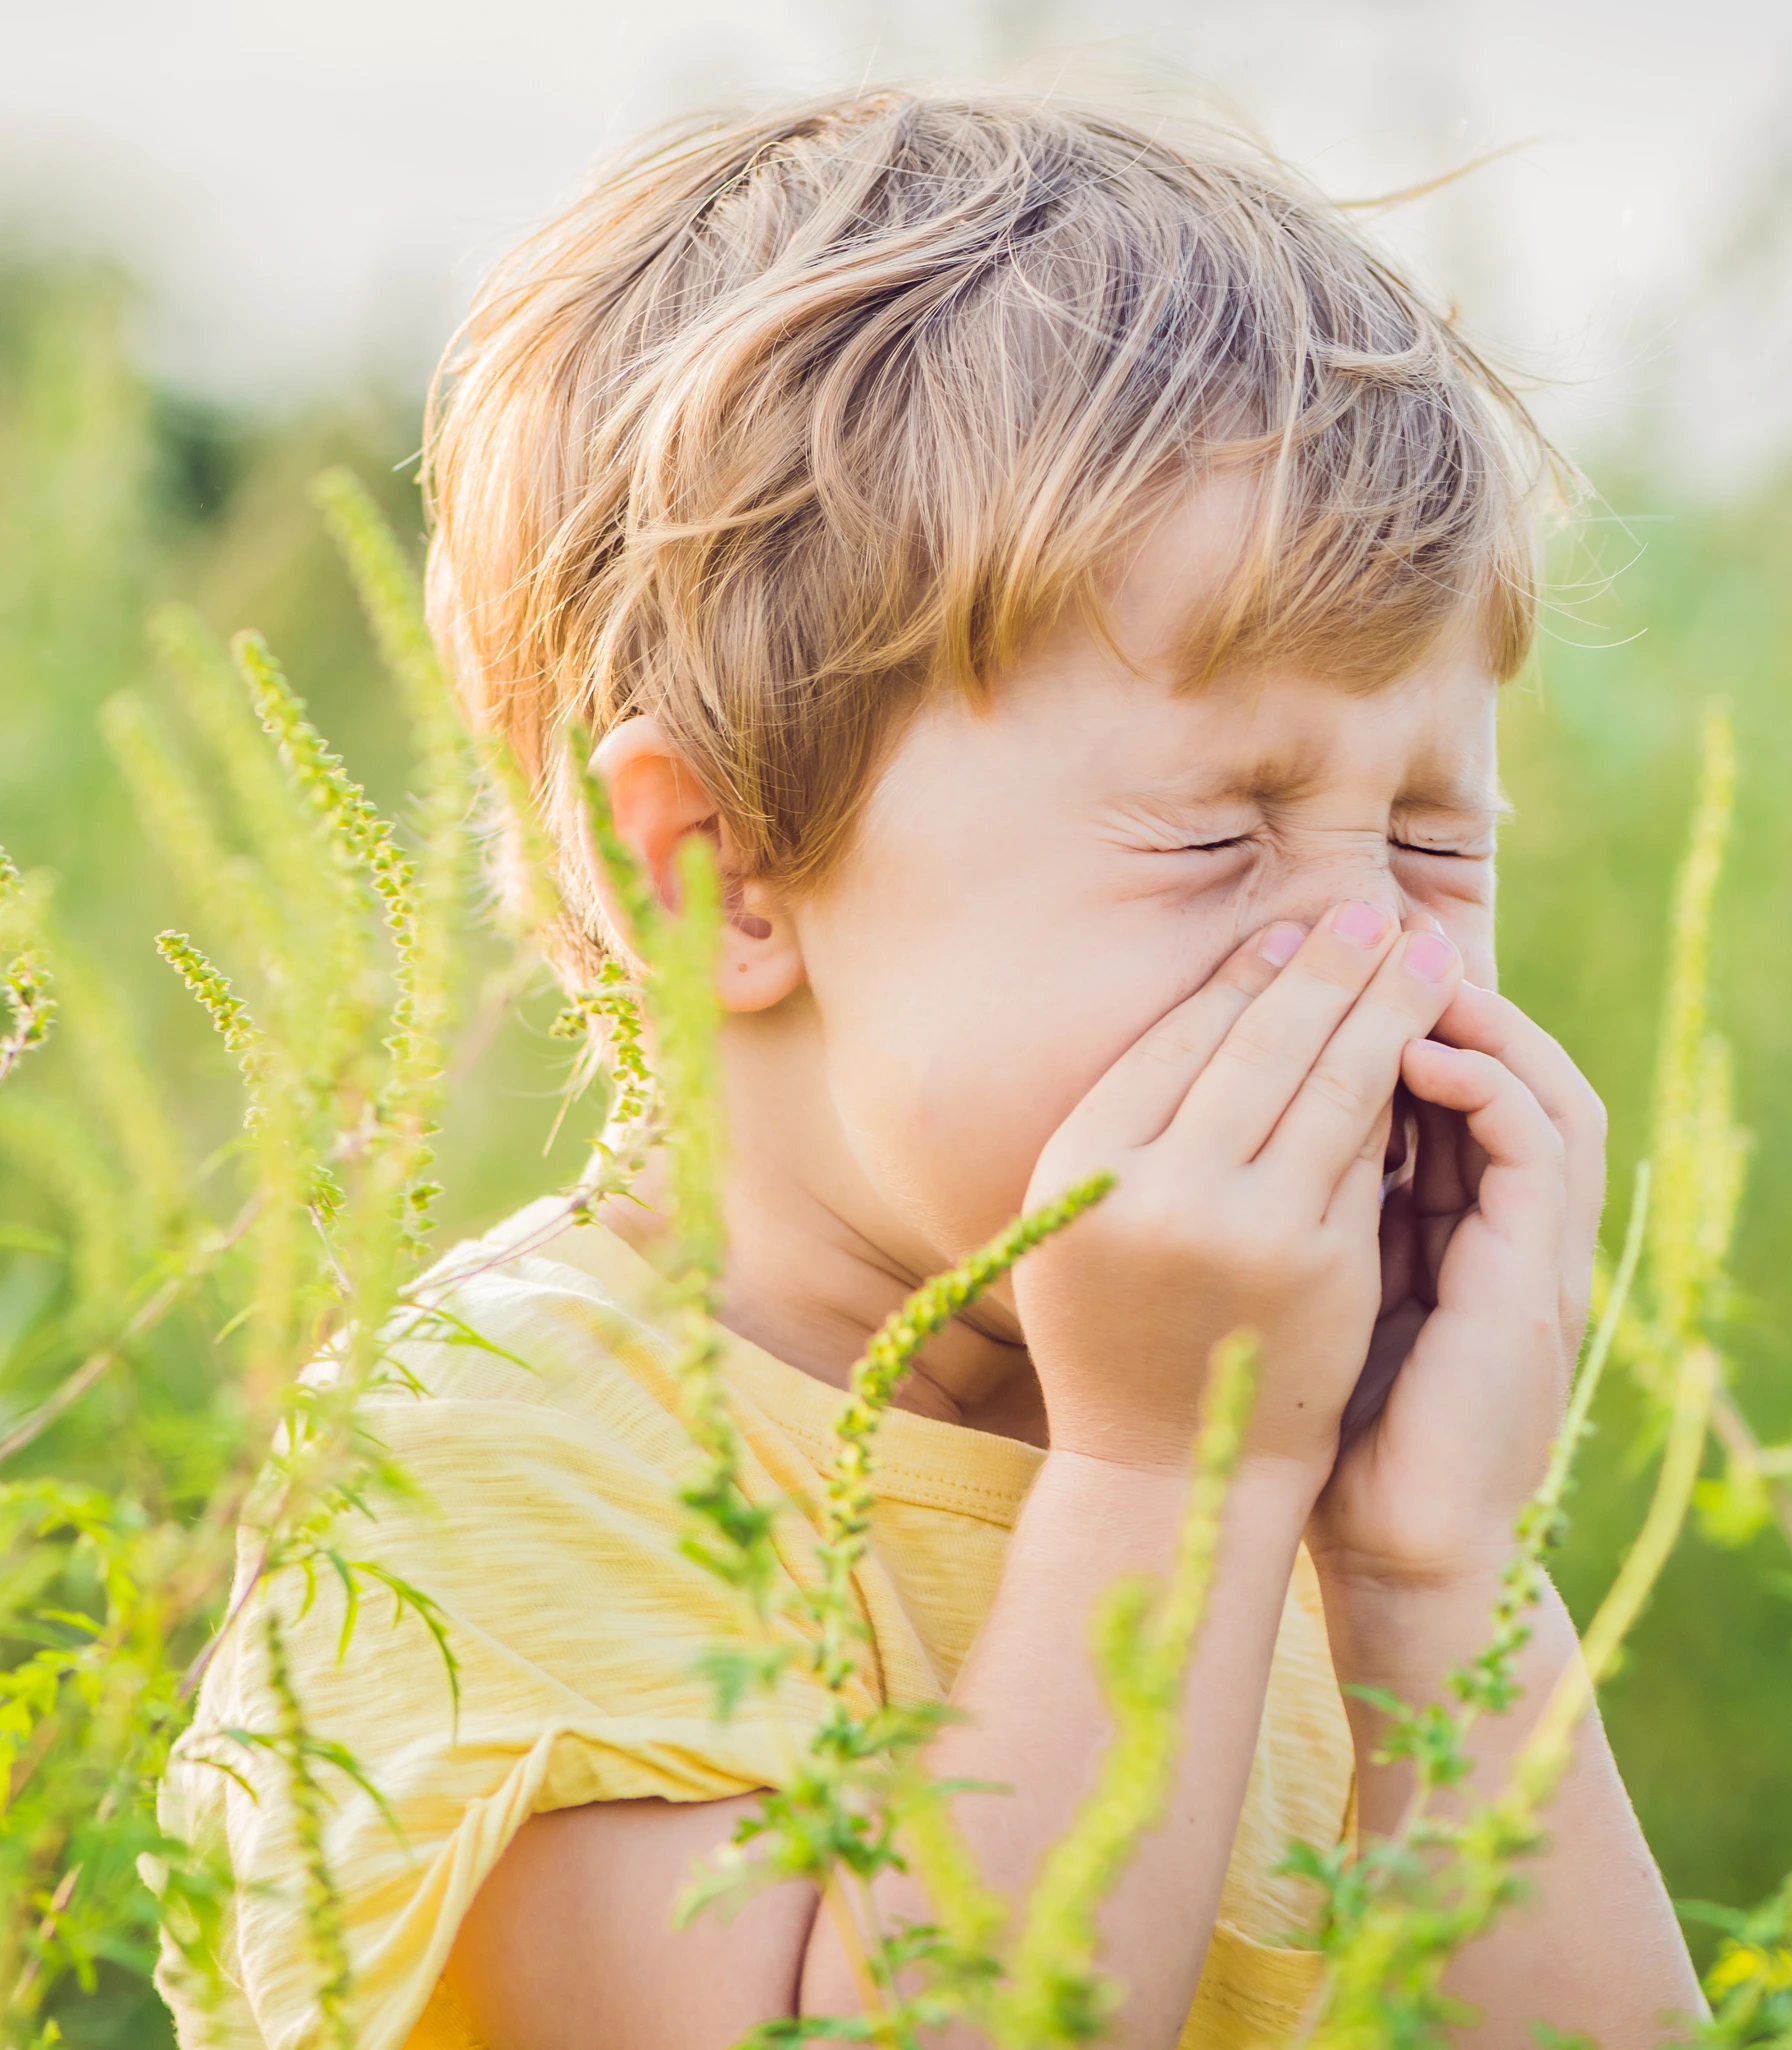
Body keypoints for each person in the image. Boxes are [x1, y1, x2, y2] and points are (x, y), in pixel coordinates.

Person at [155, 86, 1701, 2050]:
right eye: (1219, 834)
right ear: (709, 871)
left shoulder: (1310, 1486)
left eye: (1430, 839)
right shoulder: (504, 1464)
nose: (1377, 966)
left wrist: (1437, 1574)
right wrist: (1171, 1477)